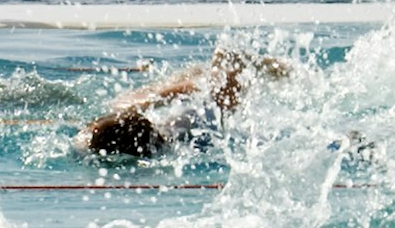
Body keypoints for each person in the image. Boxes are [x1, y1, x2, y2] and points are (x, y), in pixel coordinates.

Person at [81, 45, 298, 159]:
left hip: (198, 113)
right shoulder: (160, 137)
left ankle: (233, 67)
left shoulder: (158, 142)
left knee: (226, 71)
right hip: (193, 116)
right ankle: (207, 73)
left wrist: (192, 87)